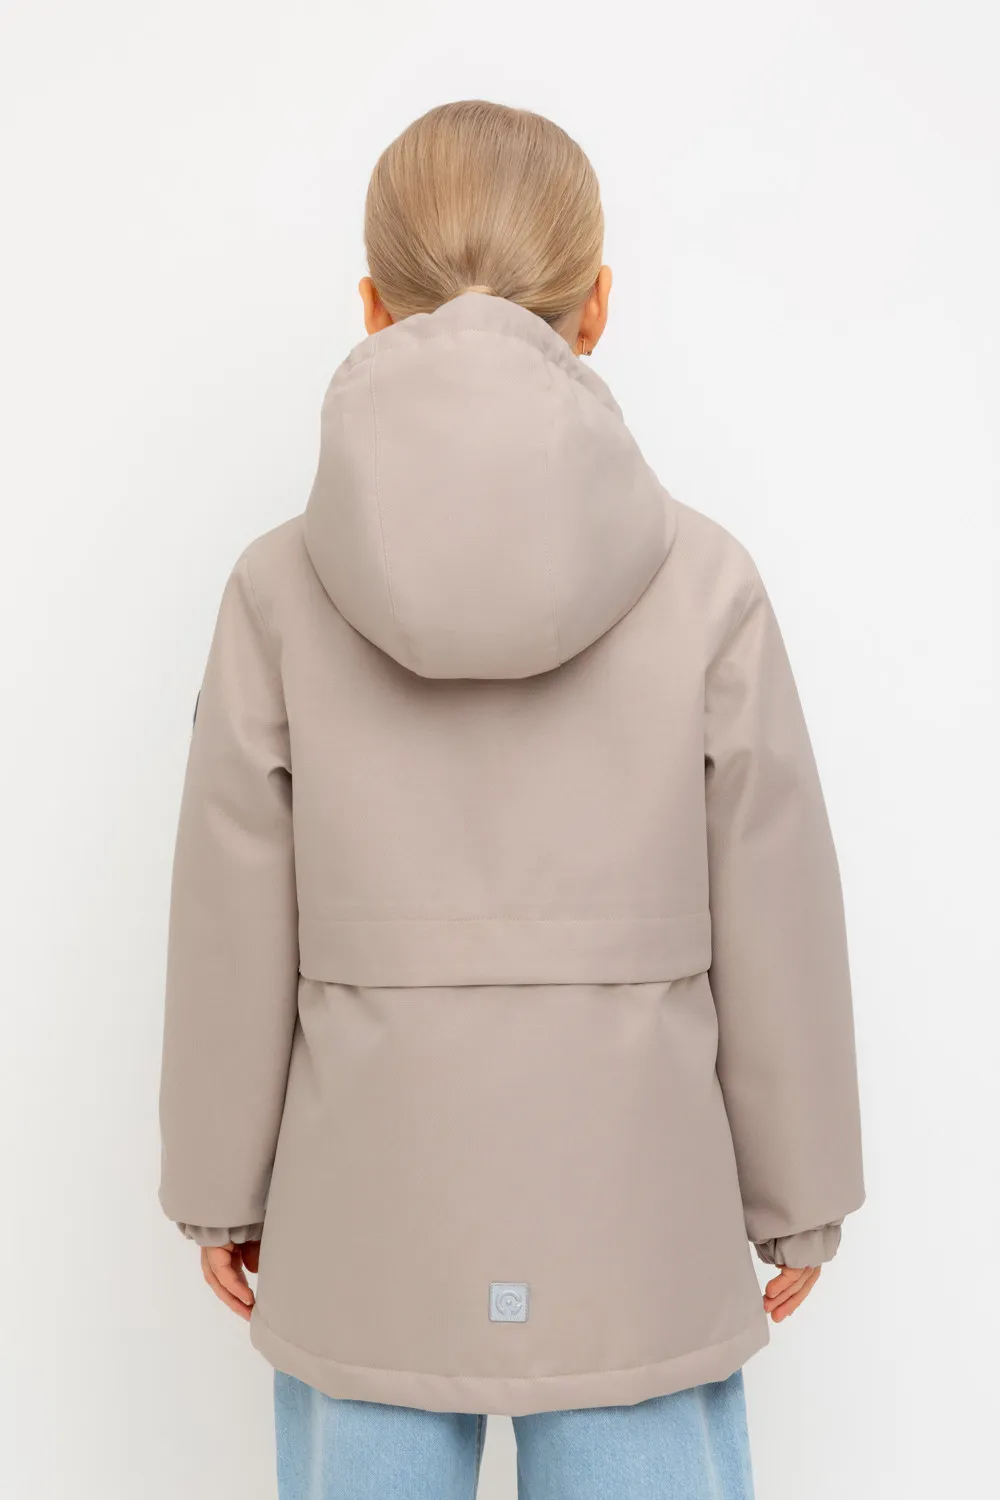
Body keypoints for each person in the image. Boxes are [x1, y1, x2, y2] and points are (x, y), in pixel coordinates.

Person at [158, 99, 865, 1500]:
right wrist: (802, 1198)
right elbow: (775, 898)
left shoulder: (278, 591)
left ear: (374, 306)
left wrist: (218, 1187)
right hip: (636, 1225)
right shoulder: (705, 584)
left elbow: (232, 906)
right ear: (596, 305)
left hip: (367, 1213)